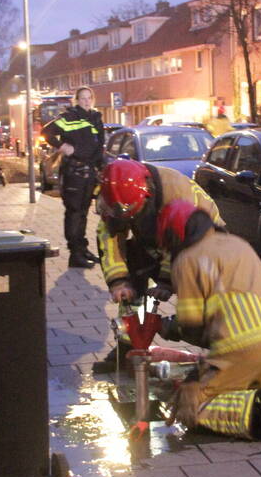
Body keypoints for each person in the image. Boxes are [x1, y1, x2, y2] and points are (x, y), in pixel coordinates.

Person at [156, 200, 261, 442]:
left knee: (189, 404)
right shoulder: (238, 244)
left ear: (175, 236)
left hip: (241, 348)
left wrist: (167, 327)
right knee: (242, 386)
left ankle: (260, 411)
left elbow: (191, 324)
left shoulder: (187, 260)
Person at [90, 157, 223, 373]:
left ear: (147, 193)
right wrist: (118, 281)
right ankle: (129, 349)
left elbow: (179, 245)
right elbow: (108, 238)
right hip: (156, 242)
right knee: (134, 277)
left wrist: (166, 281)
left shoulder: (177, 196)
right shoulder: (115, 196)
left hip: (202, 246)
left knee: (200, 306)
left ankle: (226, 354)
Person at [43, 87, 105, 268]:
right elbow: (47, 132)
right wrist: (63, 146)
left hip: (89, 171)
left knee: (83, 212)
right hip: (73, 171)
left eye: (89, 98)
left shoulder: (95, 118)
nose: (86, 101)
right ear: (76, 100)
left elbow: (99, 145)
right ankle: (74, 255)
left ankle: (82, 249)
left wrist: (101, 168)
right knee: (74, 212)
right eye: (83, 98)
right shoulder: (69, 117)